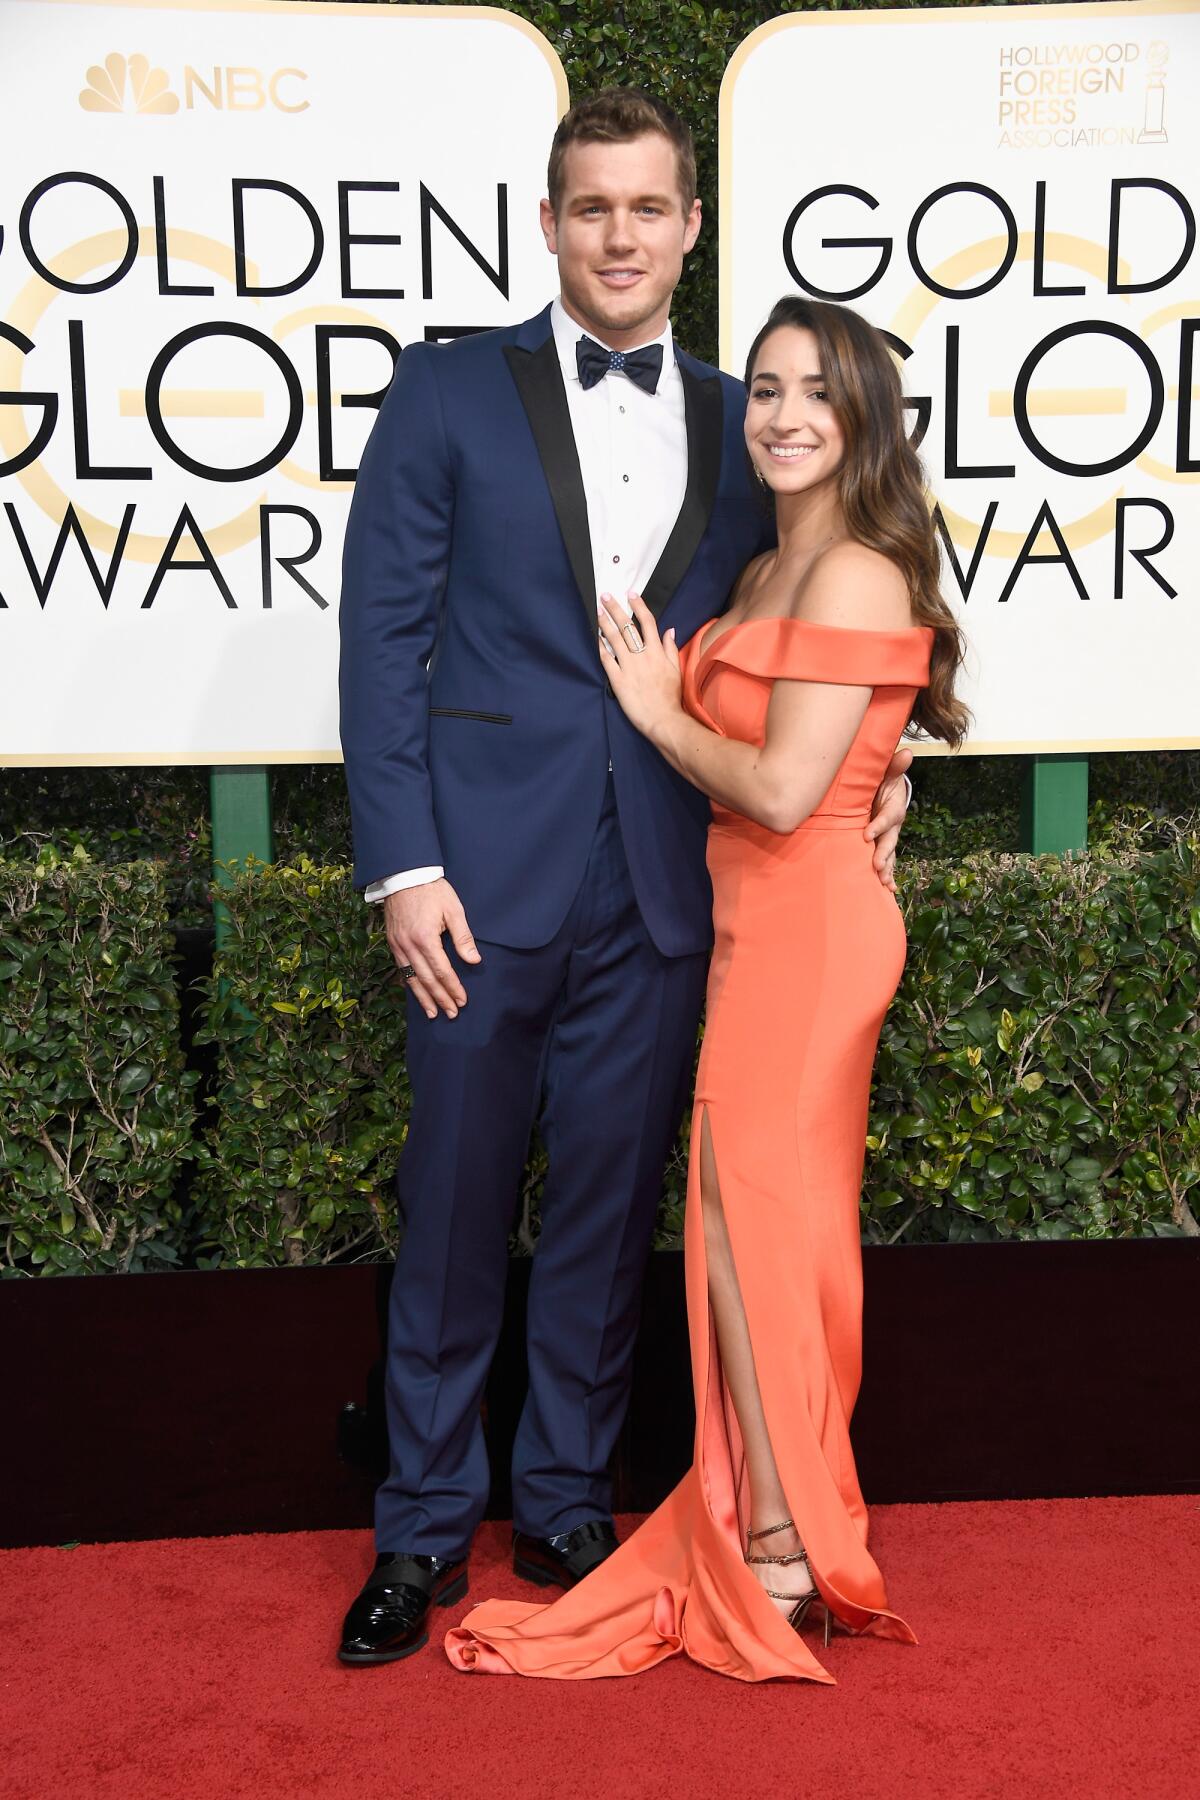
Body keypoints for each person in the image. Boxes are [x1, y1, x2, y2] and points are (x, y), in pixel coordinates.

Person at [337, 93, 913, 1667]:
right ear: (548, 223)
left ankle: (570, 1498)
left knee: (603, 1213)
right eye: (591, 208)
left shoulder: (748, 424)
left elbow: (823, 611)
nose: (619, 236)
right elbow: (380, 646)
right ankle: (421, 1529)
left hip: (672, 888)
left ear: (689, 229)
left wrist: (893, 757)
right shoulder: (447, 392)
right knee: (452, 1207)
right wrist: (402, 865)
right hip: (474, 885)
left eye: (648, 209)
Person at [445, 296, 968, 1684]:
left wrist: (660, 713)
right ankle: (775, 1516)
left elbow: (793, 789)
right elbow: (830, 746)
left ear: (863, 419)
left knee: (768, 1228)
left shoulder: (850, 570)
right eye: (768, 391)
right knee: (734, 1223)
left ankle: (792, 1530)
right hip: (750, 929)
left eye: (818, 393)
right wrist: (879, 764)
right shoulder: (757, 573)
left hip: (809, 934)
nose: (785, 415)